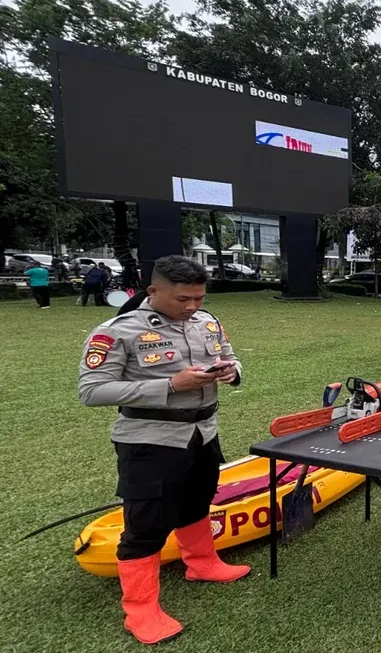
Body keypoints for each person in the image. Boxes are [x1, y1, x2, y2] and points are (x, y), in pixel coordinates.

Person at [78, 255, 248, 645]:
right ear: (152, 291)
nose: (191, 307)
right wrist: (170, 386)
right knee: (146, 524)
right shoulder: (117, 331)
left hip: (203, 432)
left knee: (197, 501)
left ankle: (202, 564)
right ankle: (140, 611)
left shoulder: (207, 321)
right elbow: (91, 391)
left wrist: (231, 371)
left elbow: (231, 355)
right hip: (149, 439)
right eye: (182, 299)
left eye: (199, 298)